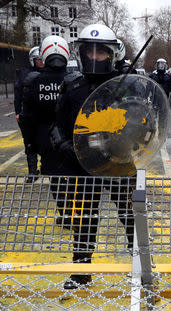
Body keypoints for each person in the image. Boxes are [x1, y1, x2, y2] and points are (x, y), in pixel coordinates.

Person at [51, 24, 134, 289]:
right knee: (84, 217)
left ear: (111, 54)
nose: (94, 56)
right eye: (90, 50)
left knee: (130, 213)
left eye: (101, 52)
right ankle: (82, 270)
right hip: (81, 163)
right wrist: (65, 147)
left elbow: (142, 121)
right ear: (81, 52)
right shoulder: (72, 86)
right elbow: (57, 125)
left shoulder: (124, 86)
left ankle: (141, 263)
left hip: (117, 162)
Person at [22, 36, 69, 177]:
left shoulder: (33, 82)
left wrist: (31, 145)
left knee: (56, 185)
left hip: (44, 143)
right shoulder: (75, 80)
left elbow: (27, 118)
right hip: (70, 146)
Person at [14, 46, 44, 181]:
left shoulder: (48, 74)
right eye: (38, 59)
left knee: (47, 141)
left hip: (44, 113)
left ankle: (47, 167)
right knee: (29, 143)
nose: (41, 62)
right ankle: (32, 171)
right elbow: (18, 94)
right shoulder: (25, 74)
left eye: (43, 59)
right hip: (28, 114)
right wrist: (17, 112)